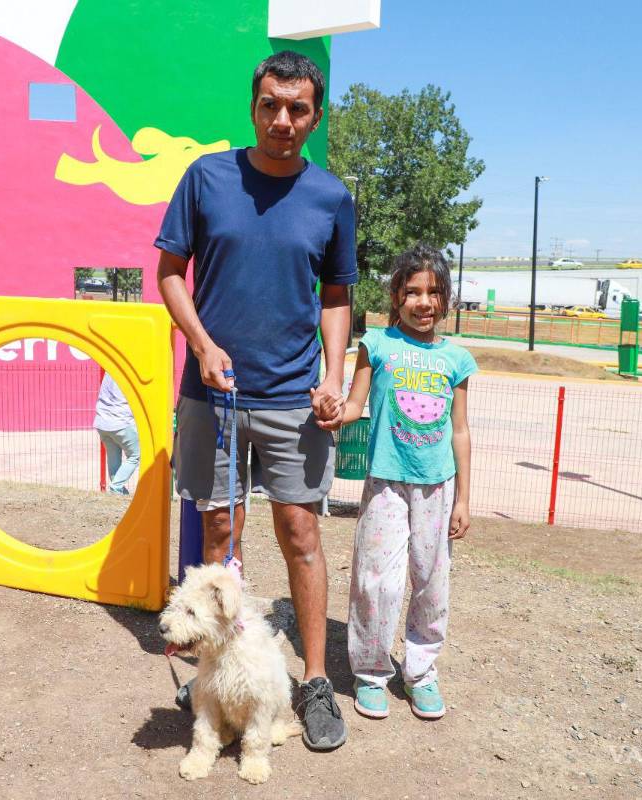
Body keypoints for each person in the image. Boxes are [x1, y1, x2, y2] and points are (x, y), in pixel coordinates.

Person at [155, 50, 356, 751]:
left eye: (297, 108)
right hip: (213, 394)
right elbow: (171, 275)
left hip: (294, 397)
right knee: (218, 539)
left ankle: (315, 682)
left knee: (301, 535)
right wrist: (204, 346)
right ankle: (212, 678)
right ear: (253, 106)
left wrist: (334, 377)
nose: (282, 120)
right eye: (271, 104)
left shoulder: (331, 198)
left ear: (315, 114)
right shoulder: (207, 178)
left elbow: (337, 297)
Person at [335, 244, 476, 721]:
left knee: (431, 583)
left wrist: (464, 498)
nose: (424, 302)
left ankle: (420, 672)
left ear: (446, 299)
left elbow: (460, 429)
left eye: (434, 292)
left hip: (437, 489)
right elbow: (355, 406)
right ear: (396, 296)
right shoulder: (376, 345)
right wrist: (335, 411)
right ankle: (372, 672)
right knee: (376, 581)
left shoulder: (458, 359)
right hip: (385, 484)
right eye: (413, 291)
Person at [94, 373, 140, 495]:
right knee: (136, 455)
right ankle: (116, 486)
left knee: (113, 457)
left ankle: (117, 491)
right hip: (121, 421)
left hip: (101, 421)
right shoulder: (131, 372)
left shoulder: (110, 369)